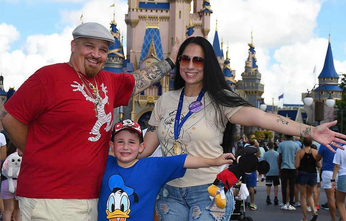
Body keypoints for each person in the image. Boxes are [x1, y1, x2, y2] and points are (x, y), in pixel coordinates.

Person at [141, 36, 346, 221]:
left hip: (208, 191)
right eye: (185, 59)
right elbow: (146, 149)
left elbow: (263, 118)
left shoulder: (221, 99)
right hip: (170, 193)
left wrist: (310, 131)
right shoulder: (165, 100)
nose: (190, 66)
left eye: (198, 60)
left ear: (209, 65)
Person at [0, 22, 179, 220]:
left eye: (103, 50)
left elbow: (139, 79)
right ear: (73, 46)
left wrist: (170, 61)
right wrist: (38, 151)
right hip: (49, 198)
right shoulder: (49, 77)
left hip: (92, 197)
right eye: (89, 46)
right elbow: (10, 118)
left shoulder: (108, 81)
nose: (96, 54)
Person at [97, 119, 234, 221]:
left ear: (141, 147)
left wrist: (214, 161)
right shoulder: (103, 163)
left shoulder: (152, 167)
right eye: (120, 141)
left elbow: (184, 160)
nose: (125, 146)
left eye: (131, 142)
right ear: (112, 145)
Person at [295, 137, 320, 221]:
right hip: (313, 174)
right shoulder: (315, 152)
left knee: (303, 196)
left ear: (303, 142)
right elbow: (319, 165)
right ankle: (313, 211)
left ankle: (305, 218)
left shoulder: (299, 152)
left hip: (303, 173)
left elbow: (297, 165)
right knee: (309, 195)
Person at [315, 141, 339, 221]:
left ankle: (333, 218)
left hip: (327, 172)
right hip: (340, 172)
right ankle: (342, 217)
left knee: (330, 198)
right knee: (340, 198)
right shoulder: (341, 145)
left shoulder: (324, 145)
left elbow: (317, 158)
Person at [1, 142, 21, 221]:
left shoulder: (8, 155)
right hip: (19, 183)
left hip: (6, 182)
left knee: (7, 210)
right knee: (19, 210)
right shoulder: (21, 156)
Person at [278, 135, 299, 211]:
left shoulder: (281, 144)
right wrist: (297, 168)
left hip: (284, 166)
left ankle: (284, 202)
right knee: (292, 185)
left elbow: (280, 157)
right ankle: (291, 202)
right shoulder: (296, 145)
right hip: (293, 167)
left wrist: (279, 167)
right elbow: (297, 157)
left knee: (284, 185)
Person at [262, 141, 280, 205]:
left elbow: (263, 162)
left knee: (268, 185)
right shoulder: (277, 154)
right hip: (275, 171)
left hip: (268, 170)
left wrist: (263, 171)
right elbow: (279, 162)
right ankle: (276, 197)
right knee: (276, 185)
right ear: (274, 146)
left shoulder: (265, 154)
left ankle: (268, 197)